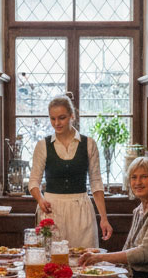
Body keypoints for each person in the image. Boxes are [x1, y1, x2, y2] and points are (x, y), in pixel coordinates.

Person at [27, 93, 112, 247]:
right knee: (51, 259)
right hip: (52, 208)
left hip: (81, 208)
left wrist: (104, 218)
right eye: (53, 118)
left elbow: (96, 183)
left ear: (72, 116)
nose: (57, 123)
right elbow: (34, 181)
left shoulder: (88, 144)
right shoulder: (43, 145)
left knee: (83, 258)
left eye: (62, 117)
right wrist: (40, 199)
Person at [81, 155, 148, 278]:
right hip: (132, 276)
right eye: (134, 177)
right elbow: (128, 248)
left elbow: (145, 253)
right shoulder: (138, 210)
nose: (138, 182)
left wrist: (101, 258)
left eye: (144, 176)